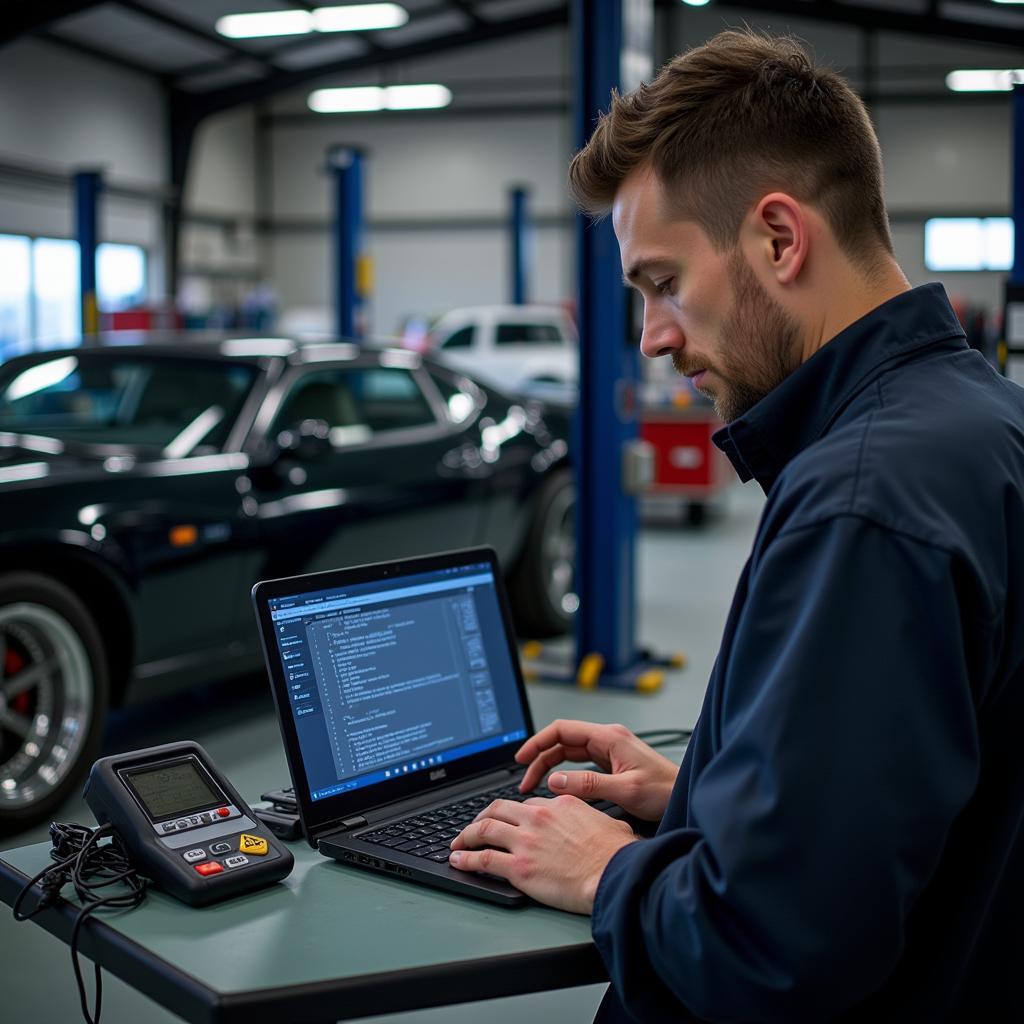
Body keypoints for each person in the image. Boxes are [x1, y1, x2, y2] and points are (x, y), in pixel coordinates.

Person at [448, 28, 1024, 1022]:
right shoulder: (980, 422)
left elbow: (773, 952)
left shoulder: (862, 497)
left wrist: (610, 870)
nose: (653, 336)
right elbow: (920, 808)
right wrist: (700, 791)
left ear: (778, 238)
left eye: (663, 283)